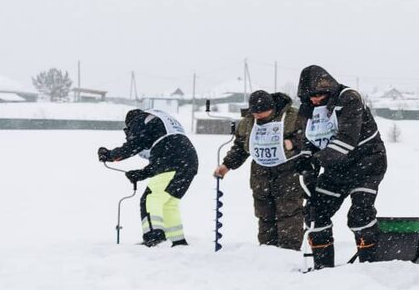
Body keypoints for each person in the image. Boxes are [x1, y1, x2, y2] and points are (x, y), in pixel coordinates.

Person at [295, 65, 387, 270]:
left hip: (367, 163)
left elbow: (347, 140)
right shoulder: (310, 108)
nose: (315, 100)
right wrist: (306, 163)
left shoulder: (349, 99)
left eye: (319, 95)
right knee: (315, 211)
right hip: (337, 167)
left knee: (359, 214)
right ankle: (323, 269)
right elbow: (310, 140)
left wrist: (317, 161)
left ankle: (370, 267)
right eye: (310, 96)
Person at [215, 90, 306, 251]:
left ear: (272, 108)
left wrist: (292, 143)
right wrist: (226, 166)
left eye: (262, 114)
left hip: (289, 173)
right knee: (264, 215)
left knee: (289, 213)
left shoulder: (293, 117)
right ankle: (267, 250)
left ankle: (289, 252)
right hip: (260, 175)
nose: (258, 117)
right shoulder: (249, 122)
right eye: (255, 113)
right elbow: (240, 147)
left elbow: (307, 138)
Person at [98, 108, 198, 247]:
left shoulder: (139, 120)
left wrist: (110, 155)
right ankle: (178, 241)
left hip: (172, 159)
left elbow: (134, 145)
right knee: (169, 203)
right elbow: (162, 162)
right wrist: (141, 174)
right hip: (189, 160)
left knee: (150, 198)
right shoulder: (159, 122)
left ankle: (154, 238)